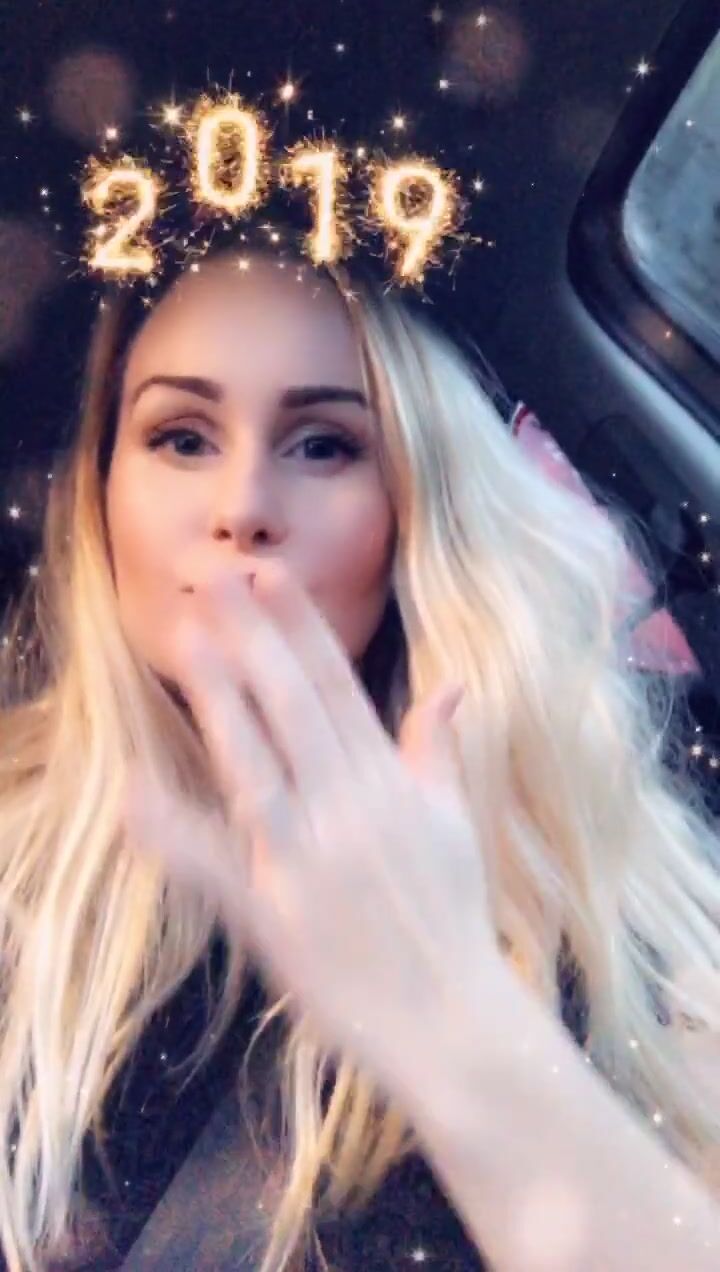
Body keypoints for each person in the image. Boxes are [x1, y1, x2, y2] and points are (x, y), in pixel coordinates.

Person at [0, 241, 719, 1272]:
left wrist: (452, 1018)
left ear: (418, 511)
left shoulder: (604, 901)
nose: (242, 507)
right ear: (101, 493)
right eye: (182, 437)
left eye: (324, 445)